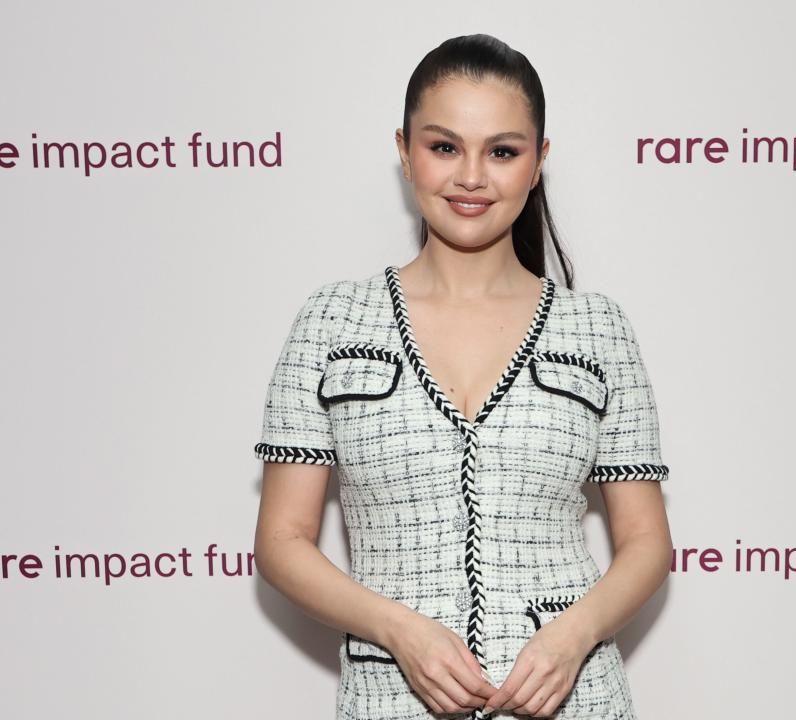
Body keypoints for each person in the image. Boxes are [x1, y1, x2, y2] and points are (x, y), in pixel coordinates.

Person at [252, 33, 673, 720]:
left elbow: (647, 542)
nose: (471, 177)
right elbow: (281, 540)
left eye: (502, 151)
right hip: (391, 699)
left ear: (538, 162)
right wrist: (399, 630)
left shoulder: (597, 329)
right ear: (405, 150)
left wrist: (573, 637)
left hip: (574, 700)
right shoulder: (333, 323)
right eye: (444, 146)